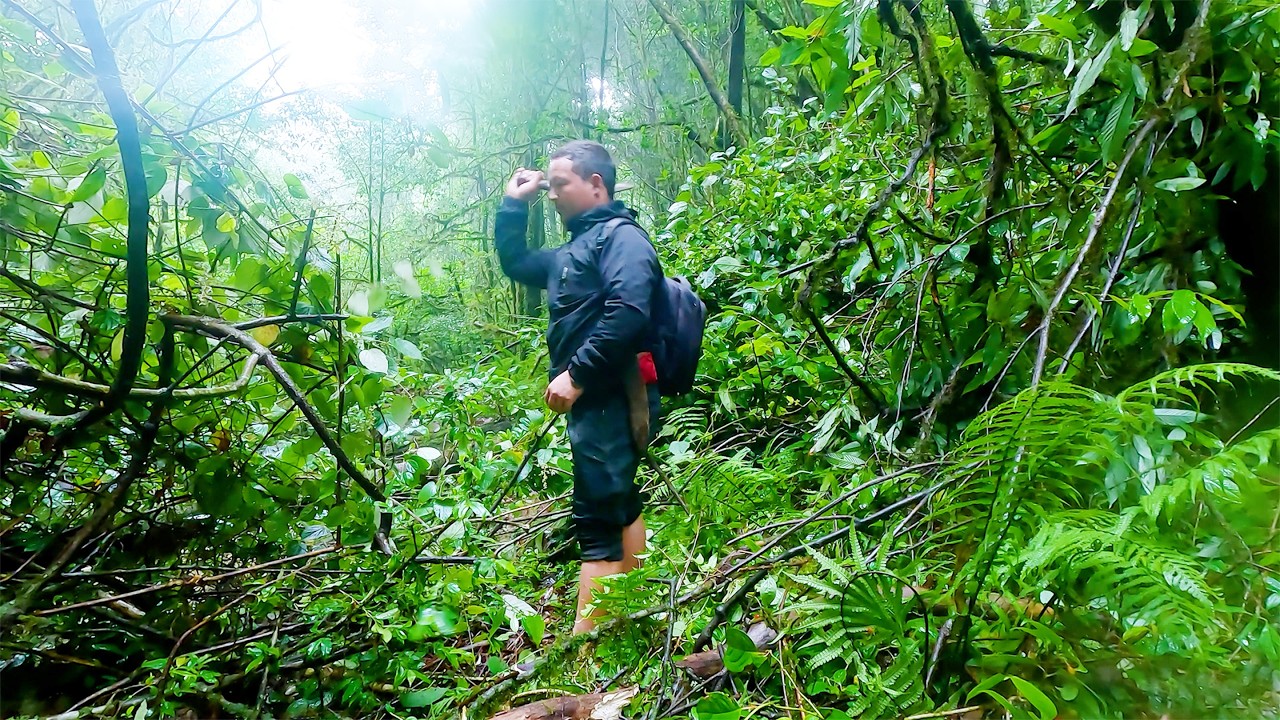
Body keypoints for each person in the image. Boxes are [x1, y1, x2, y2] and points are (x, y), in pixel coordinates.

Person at [494, 140, 663, 635]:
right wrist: (513, 204)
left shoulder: (622, 239)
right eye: (548, 185)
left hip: (612, 392)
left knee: (597, 516)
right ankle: (634, 614)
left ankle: (585, 652)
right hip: (597, 399)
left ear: (595, 185)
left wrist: (577, 374)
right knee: (618, 499)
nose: (552, 194)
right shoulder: (573, 250)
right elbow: (517, 263)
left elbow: (630, 311)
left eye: (559, 183)